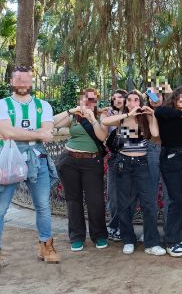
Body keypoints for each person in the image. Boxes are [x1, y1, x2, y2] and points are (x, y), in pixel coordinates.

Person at [0, 66, 59, 263]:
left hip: (37, 159)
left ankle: (46, 246)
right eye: (19, 80)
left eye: (26, 80)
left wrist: (26, 134)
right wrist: (38, 134)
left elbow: (49, 134)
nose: (23, 84)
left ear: (31, 82)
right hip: (10, 159)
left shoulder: (43, 105)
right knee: (1, 207)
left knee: (43, 205)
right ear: (11, 81)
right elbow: (8, 133)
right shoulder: (3, 104)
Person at [101, 90, 165, 256]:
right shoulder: (121, 117)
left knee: (149, 204)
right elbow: (106, 122)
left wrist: (152, 116)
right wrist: (127, 114)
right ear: (126, 103)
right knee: (124, 204)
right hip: (124, 163)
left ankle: (152, 242)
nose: (133, 102)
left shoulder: (144, 118)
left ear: (141, 102)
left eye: (136, 100)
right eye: (130, 100)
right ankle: (128, 240)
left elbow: (156, 134)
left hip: (141, 163)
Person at [52, 89, 109, 252]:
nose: (89, 102)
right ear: (80, 101)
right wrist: (70, 111)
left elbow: (101, 137)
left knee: (95, 201)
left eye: (93, 100)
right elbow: (52, 122)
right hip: (69, 161)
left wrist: (92, 119)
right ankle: (76, 236)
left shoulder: (101, 116)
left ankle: (99, 235)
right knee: (73, 200)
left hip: (92, 162)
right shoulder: (73, 117)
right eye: (86, 99)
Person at [155, 85, 182, 257]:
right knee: (176, 200)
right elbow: (159, 112)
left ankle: (177, 237)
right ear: (175, 97)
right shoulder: (166, 111)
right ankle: (171, 242)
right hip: (171, 158)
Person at [145, 86, 171, 237]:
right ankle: (151, 232)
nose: (154, 98)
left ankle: (169, 232)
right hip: (151, 150)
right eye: (150, 96)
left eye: (157, 96)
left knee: (168, 193)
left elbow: (174, 94)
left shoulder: (168, 110)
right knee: (151, 192)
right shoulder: (144, 111)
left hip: (168, 150)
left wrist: (159, 85)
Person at [102, 89, 128, 241]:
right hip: (115, 156)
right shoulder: (108, 114)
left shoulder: (132, 113)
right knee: (114, 195)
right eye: (115, 97)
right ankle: (114, 226)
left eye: (121, 97)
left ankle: (122, 226)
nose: (117, 99)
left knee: (129, 195)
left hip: (131, 155)